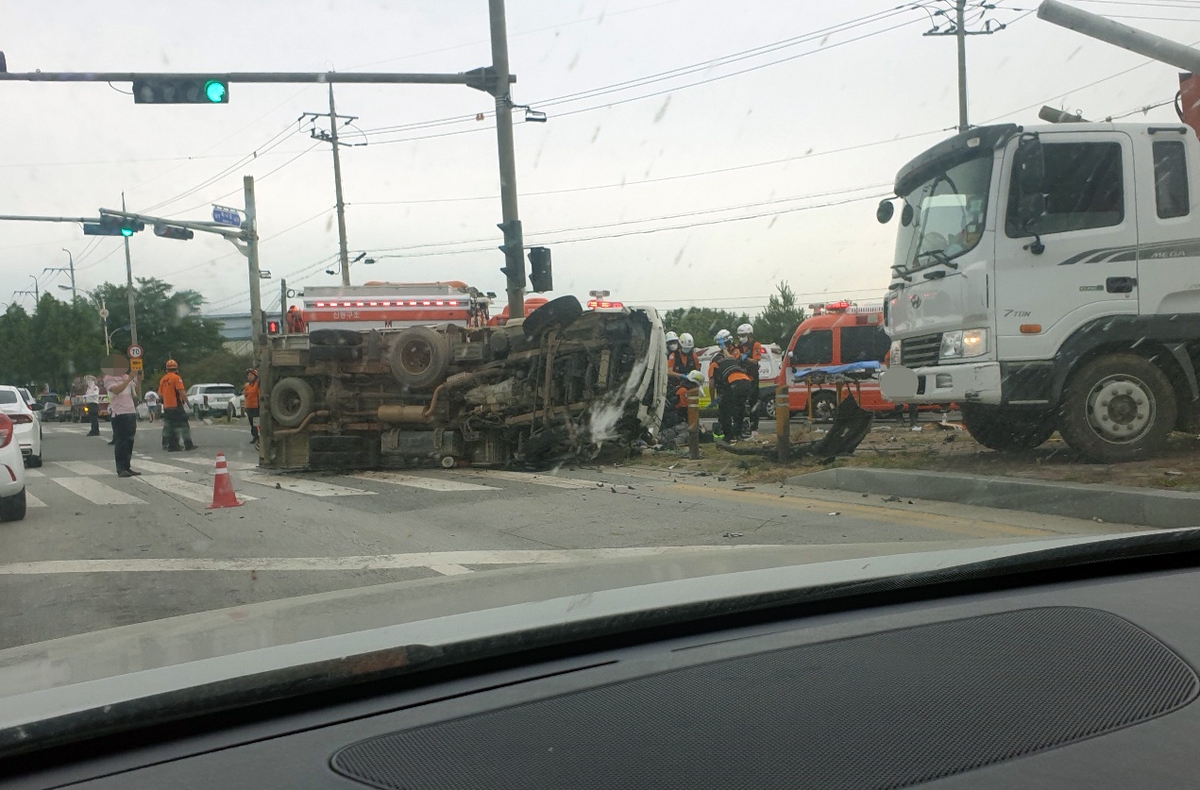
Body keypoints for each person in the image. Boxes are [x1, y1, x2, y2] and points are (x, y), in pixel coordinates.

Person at [708, 330, 753, 443]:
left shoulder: (715, 363)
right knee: (739, 408)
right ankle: (737, 434)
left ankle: (728, 436)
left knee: (725, 410)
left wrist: (713, 399)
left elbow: (712, 383)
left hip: (735, 384)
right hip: (746, 382)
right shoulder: (730, 359)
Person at [102, 355, 142, 477]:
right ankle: (120, 468)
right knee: (121, 441)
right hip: (118, 412)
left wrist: (138, 380)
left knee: (129, 440)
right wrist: (129, 379)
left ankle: (127, 466)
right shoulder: (109, 378)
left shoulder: (125, 377)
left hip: (130, 410)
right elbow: (117, 390)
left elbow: (135, 393)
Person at [158, 359, 197, 452]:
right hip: (176, 405)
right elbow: (181, 391)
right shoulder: (176, 378)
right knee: (184, 424)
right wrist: (188, 403)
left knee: (170, 426)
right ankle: (188, 444)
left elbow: (160, 394)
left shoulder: (163, 379)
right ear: (176, 368)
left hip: (167, 407)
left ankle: (172, 445)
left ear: (166, 369)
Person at [735, 323, 766, 436]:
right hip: (740, 377)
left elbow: (756, 360)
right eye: (739, 335)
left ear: (749, 335)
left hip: (752, 377)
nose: (741, 338)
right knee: (739, 403)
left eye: (743, 335)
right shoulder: (738, 346)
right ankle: (739, 427)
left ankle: (754, 428)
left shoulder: (755, 345)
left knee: (753, 402)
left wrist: (745, 359)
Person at [666, 332, 701, 425]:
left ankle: (694, 422)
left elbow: (698, 370)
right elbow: (668, 371)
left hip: (691, 384)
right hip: (677, 385)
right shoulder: (673, 355)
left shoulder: (693, 356)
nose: (687, 350)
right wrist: (681, 375)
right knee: (682, 393)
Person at [243, 368, 261, 444]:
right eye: (248, 375)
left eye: (251, 375)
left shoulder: (257, 385)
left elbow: (259, 394)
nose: (249, 377)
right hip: (249, 407)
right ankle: (254, 435)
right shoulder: (247, 386)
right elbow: (245, 395)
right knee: (251, 422)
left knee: (256, 422)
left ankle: (258, 436)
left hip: (256, 407)